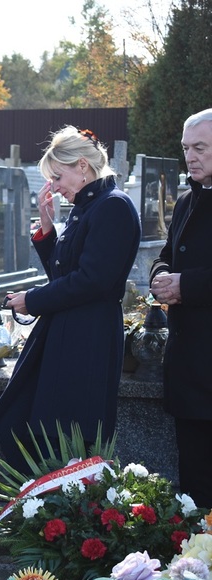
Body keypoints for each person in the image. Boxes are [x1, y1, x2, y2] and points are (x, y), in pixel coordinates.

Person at [0, 126, 140, 472]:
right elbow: (65, 273)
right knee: (23, 425)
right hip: (66, 332)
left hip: (88, 337)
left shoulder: (112, 206)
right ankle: (40, 500)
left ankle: (62, 504)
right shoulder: (87, 206)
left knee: (67, 438)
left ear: (82, 166)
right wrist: (47, 229)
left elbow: (92, 281)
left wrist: (33, 300)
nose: (54, 187)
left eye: (57, 177)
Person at [150, 108, 212, 508]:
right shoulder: (189, 200)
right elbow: (167, 254)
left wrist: (184, 285)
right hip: (191, 369)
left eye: (200, 148)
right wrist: (161, 276)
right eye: (187, 148)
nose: (191, 156)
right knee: (195, 491)